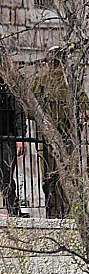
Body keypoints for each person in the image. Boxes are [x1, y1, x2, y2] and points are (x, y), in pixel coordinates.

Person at [29, 46, 89, 218]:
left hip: (44, 139)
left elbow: (28, 110)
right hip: (67, 140)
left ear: (48, 64)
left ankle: (52, 213)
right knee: (68, 176)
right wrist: (78, 128)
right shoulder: (71, 83)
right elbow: (86, 110)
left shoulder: (38, 82)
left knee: (49, 177)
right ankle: (68, 214)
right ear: (64, 63)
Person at [0, 75, 25, 217]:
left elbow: (18, 113)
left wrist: (20, 137)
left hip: (6, 137)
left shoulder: (7, 88)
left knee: (6, 177)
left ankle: (13, 211)